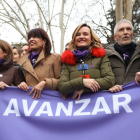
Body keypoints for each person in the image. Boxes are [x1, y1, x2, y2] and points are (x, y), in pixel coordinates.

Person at [58, 23, 115, 100]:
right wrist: (82, 82)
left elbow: (110, 80)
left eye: (85, 34)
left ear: (91, 39)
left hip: (98, 103)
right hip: (75, 106)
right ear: (74, 39)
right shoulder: (67, 59)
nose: (81, 37)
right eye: (78, 35)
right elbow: (62, 87)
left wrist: (85, 89)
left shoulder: (101, 56)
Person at [18, 28, 62, 99]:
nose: (31, 39)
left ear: (44, 41)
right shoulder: (22, 61)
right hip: (29, 100)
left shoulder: (55, 57)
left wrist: (45, 83)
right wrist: (21, 84)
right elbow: (19, 81)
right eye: (30, 37)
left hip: (50, 100)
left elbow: (61, 81)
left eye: (35, 36)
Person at [106, 19, 140, 93]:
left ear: (133, 35)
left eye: (128, 29)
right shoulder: (106, 55)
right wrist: (109, 86)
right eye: (121, 30)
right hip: (116, 100)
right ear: (115, 37)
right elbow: (100, 77)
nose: (125, 32)